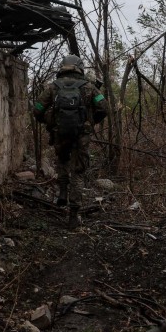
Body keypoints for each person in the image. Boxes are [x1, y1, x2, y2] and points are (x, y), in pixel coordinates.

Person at [33, 55, 108, 230]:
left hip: (60, 134)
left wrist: (50, 122)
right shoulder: (89, 87)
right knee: (78, 172)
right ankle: (73, 215)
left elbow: (37, 109)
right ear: (79, 68)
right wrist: (90, 122)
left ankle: (63, 192)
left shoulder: (53, 87)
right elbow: (103, 107)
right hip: (82, 136)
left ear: (63, 67)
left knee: (63, 162)